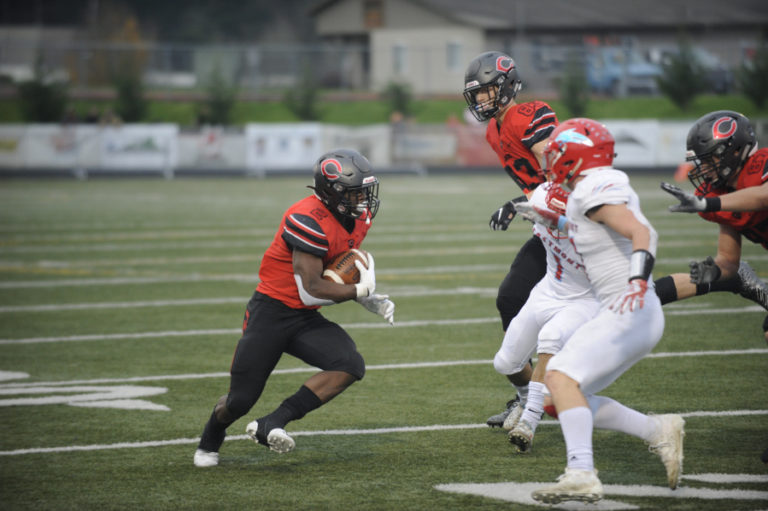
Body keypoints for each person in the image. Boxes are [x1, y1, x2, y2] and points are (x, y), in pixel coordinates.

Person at [516, 119, 684, 504]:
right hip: (626, 309)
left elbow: (643, 233)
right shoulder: (587, 192)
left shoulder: (594, 185)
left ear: (576, 156)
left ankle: (581, 473)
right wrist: (551, 219)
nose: (550, 160)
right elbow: (591, 231)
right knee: (560, 398)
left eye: (557, 152)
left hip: (628, 306)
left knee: (558, 376)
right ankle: (657, 430)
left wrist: (639, 281)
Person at [193, 149, 395, 467]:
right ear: (332, 192)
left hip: (303, 317)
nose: (363, 199)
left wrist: (360, 293)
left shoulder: (357, 219)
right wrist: (357, 291)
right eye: (356, 192)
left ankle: (271, 423)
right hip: (271, 313)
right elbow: (312, 289)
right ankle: (211, 436)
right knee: (240, 400)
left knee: (349, 364)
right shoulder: (306, 217)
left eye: (364, 191)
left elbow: (334, 265)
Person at [462, 50, 559, 428]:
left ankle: (545, 395)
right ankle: (525, 396)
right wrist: (527, 204)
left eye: (486, 92)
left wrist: (520, 202)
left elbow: (560, 175)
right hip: (548, 227)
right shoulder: (492, 130)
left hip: (575, 229)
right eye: (477, 94)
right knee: (511, 300)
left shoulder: (529, 114)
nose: (481, 100)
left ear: (505, 87)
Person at [492, 181, 600, 454]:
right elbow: (534, 195)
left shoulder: (597, 214)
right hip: (549, 289)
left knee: (549, 339)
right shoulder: (542, 193)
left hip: (584, 298)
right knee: (505, 362)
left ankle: (528, 422)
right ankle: (533, 398)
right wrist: (513, 206)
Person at [658, 110, 768, 342]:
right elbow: (729, 259)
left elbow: (763, 195)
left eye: (709, 160)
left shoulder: (762, 164)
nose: (704, 169)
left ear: (735, 150)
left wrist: (708, 203)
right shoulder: (723, 193)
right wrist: (716, 272)